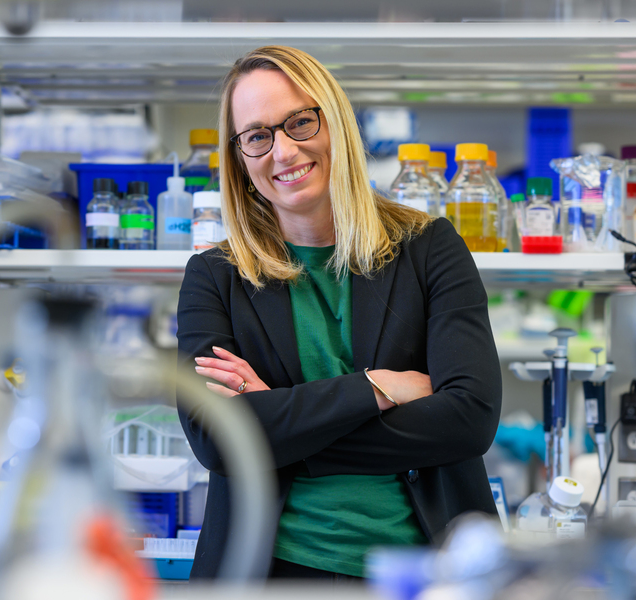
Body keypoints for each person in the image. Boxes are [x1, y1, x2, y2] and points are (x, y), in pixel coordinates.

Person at [176, 45, 502, 581]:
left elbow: (468, 420)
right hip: (270, 574)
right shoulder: (216, 276)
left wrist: (279, 430)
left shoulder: (429, 248)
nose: (282, 152)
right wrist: (376, 387)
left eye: (300, 123)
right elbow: (217, 439)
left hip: (427, 572)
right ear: (239, 157)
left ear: (336, 123)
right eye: (257, 136)